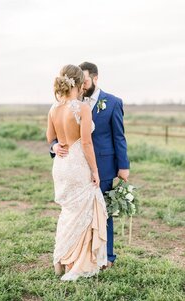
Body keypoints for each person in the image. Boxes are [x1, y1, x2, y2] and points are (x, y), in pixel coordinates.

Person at [50, 62, 130, 268]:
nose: (84, 86)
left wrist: (123, 166)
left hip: (100, 163)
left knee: (102, 212)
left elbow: (119, 137)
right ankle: (84, 258)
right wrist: (55, 145)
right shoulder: (78, 105)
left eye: (86, 81)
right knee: (83, 211)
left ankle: (106, 257)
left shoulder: (112, 102)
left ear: (95, 78)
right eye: (81, 82)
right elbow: (75, 140)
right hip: (80, 166)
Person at [46, 64, 108, 281]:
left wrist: (55, 146)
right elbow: (87, 143)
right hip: (78, 164)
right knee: (83, 212)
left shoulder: (53, 108)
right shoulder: (81, 108)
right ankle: (76, 263)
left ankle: (59, 259)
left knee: (68, 212)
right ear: (81, 83)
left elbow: (50, 138)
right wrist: (95, 170)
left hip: (61, 165)